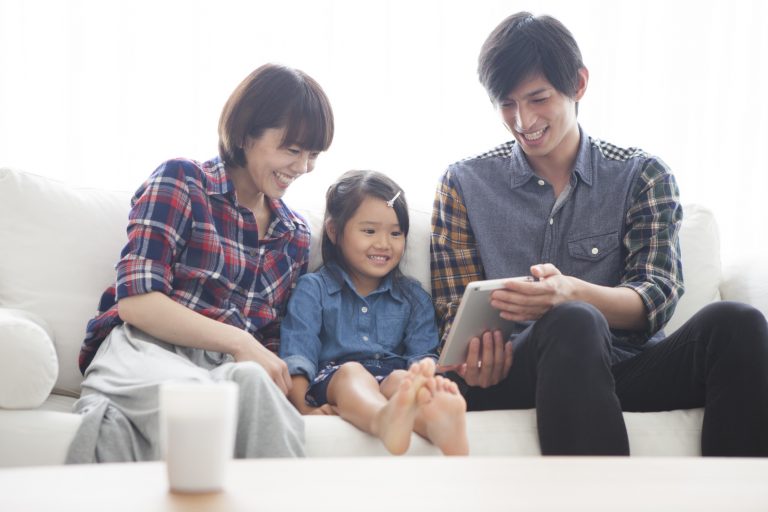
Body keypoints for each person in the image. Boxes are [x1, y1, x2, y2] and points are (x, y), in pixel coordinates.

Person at [430, 12, 768, 456]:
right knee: (573, 321)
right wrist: (473, 355)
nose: (522, 119)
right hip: (516, 369)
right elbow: (453, 316)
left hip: (627, 367)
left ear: (579, 84)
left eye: (538, 98)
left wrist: (572, 292)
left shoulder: (641, 175)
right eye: (507, 104)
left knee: (738, 323)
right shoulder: (464, 183)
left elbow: (657, 297)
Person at [66, 63, 334, 463]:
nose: (302, 167)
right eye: (291, 150)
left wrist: (302, 395)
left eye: (312, 155)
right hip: (145, 349)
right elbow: (137, 303)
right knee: (201, 402)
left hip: (225, 368)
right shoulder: (183, 182)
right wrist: (239, 341)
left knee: (253, 390)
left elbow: (273, 338)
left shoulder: (293, 233)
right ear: (245, 135)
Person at [280, 170, 468, 455]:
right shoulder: (313, 289)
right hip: (335, 379)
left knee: (403, 380)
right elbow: (297, 354)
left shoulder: (413, 297)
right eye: (369, 231)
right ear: (334, 232)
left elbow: (422, 357)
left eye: (395, 233)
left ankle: (438, 424)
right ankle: (383, 420)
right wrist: (304, 408)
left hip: (392, 380)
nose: (383, 244)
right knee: (352, 373)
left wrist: (424, 381)